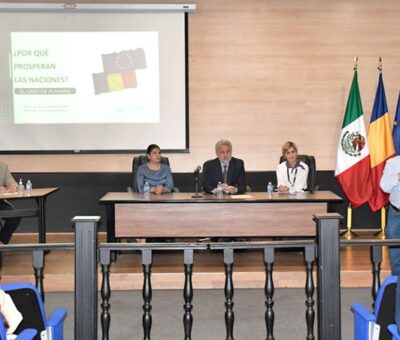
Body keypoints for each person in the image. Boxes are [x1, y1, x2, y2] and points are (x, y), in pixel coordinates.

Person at [380, 156, 400, 275]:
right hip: (396, 215)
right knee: (395, 256)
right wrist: (398, 176)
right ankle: (398, 289)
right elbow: (384, 187)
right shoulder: (393, 163)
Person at [0, 161, 21, 245]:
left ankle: (2, 242)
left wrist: (13, 186)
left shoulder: (3, 166)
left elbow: (12, 182)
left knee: (15, 215)